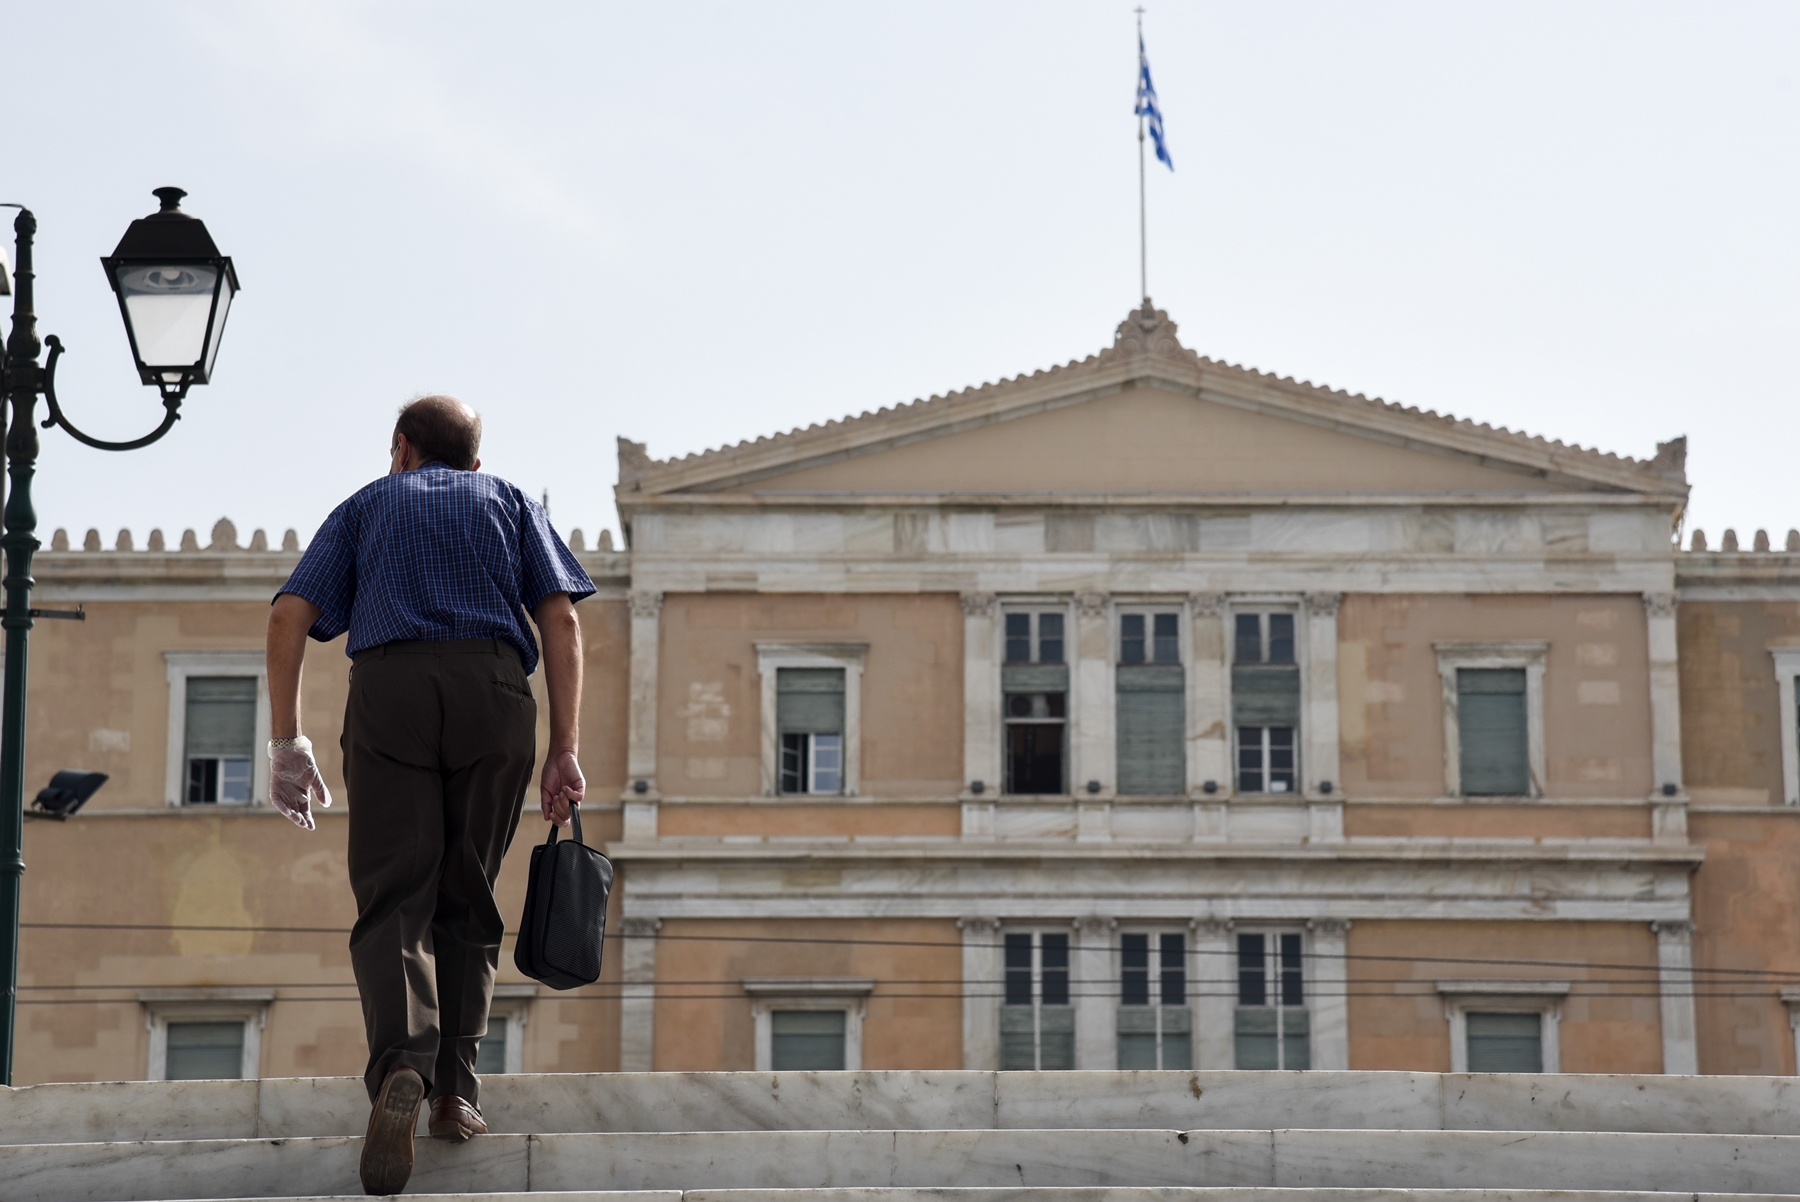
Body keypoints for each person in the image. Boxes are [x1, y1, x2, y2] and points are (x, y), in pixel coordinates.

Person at [264, 395, 593, 1196]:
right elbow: (561, 622)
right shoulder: (511, 501)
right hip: (493, 690)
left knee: (393, 897)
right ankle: (452, 1094)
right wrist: (565, 750)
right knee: (468, 895)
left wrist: (288, 743)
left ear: (400, 448)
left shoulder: (368, 505)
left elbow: (288, 616)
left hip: (391, 689)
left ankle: (399, 1071)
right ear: (473, 463)